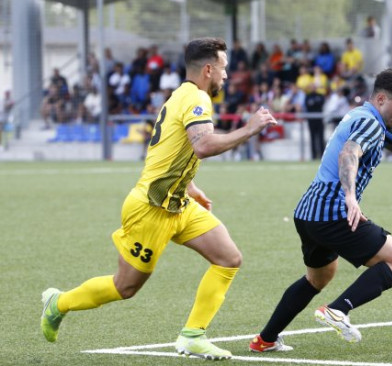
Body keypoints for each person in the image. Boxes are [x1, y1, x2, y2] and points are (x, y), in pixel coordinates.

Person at [39, 37, 278, 360]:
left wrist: (190, 186)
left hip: (178, 203)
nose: (226, 75)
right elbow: (203, 146)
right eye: (223, 68)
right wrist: (250, 128)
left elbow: (169, 149)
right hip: (150, 210)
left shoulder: (180, 95)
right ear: (208, 69)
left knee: (228, 258)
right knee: (125, 287)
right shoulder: (196, 99)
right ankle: (59, 303)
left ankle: (193, 335)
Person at [248, 69, 392, 352]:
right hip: (334, 211)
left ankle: (265, 339)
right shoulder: (370, 124)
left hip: (309, 213)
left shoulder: (367, 117)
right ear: (382, 98)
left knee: (318, 278)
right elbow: (349, 151)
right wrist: (350, 196)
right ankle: (338, 310)